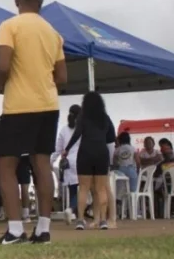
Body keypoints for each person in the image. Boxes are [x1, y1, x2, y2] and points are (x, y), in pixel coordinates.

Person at [0, 0, 67, 245]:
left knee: (6, 165)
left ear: (17, 1)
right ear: (41, 3)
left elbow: (3, 64)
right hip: (49, 105)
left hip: (19, 106)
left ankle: (15, 230)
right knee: (42, 163)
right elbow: (62, 77)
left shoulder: (9, 26)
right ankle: (43, 230)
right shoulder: (53, 33)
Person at [64, 92, 115, 230]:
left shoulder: (83, 117)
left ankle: (80, 220)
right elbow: (112, 137)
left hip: (85, 152)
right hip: (101, 153)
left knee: (84, 189)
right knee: (101, 189)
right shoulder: (105, 118)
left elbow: (77, 133)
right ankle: (103, 220)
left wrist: (67, 149)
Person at [54, 105, 81, 222]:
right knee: (85, 190)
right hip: (81, 161)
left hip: (68, 163)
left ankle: (72, 211)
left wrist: (50, 161)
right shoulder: (83, 129)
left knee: (73, 190)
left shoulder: (64, 130)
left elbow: (58, 149)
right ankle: (72, 209)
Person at [114, 132, 138, 196]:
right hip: (131, 169)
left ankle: (120, 201)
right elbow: (138, 161)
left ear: (120, 140)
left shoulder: (117, 149)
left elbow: (115, 162)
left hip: (121, 170)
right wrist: (138, 171)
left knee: (120, 189)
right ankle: (132, 200)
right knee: (133, 190)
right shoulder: (132, 148)